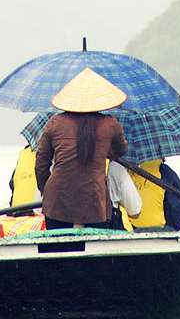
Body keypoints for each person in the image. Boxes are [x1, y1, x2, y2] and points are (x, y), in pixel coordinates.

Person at [34, 68, 129, 230]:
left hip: (57, 201)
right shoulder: (110, 124)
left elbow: (41, 164)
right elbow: (121, 150)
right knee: (96, 252)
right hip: (94, 201)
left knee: (58, 251)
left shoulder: (55, 123)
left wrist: (46, 192)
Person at [121, 158, 180, 231]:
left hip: (124, 231)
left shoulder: (118, 168)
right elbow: (178, 212)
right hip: (158, 230)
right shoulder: (165, 172)